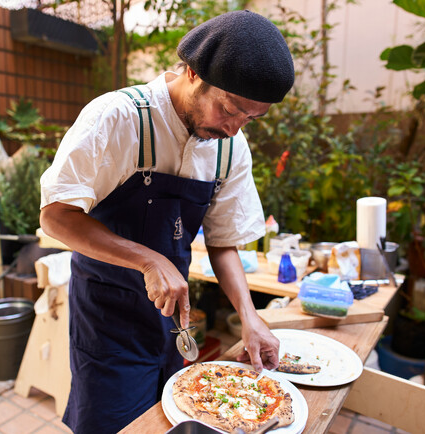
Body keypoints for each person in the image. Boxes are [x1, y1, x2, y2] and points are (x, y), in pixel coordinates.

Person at [39, 10, 295, 433]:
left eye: (250, 119)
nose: (233, 129)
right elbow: (57, 217)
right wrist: (148, 260)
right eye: (229, 109)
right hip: (107, 318)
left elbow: (223, 240)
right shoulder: (119, 118)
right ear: (192, 72)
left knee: (169, 419)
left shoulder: (230, 149)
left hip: (172, 318)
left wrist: (251, 317)